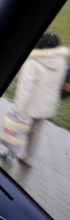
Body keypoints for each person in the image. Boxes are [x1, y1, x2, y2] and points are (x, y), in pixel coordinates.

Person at [4, 33, 69, 165]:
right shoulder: (61, 62)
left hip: (29, 104)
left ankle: (10, 152)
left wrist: (19, 108)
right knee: (35, 133)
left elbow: (26, 87)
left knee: (18, 128)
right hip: (47, 105)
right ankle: (28, 158)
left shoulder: (33, 61)